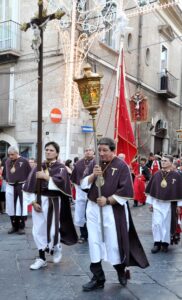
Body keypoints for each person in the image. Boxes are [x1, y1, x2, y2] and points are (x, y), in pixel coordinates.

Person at [80, 137, 149, 291]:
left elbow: (126, 191)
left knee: (113, 243)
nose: (101, 153)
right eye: (100, 150)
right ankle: (98, 278)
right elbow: (83, 183)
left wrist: (108, 200)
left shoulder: (122, 166)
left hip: (112, 210)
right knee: (94, 242)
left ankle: (120, 271)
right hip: (93, 208)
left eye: (105, 150)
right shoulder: (94, 163)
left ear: (113, 151)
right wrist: (93, 175)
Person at [23, 141, 77, 270]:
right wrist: (33, 202)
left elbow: (62, 183)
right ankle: (41, 258)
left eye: (51, 150)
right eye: (46, 149)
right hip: (39, 200)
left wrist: (46, 178)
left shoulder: (61, 167)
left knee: (53, 231)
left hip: (53, 201)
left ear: (57, 153)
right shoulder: (38, 167)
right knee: (38, 230)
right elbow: (29, 185)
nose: (48, 152)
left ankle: (56, 246)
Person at [146, 154, 182, 253]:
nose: (163, 162)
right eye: (162, 160)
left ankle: (165, 244)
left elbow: (179, 192)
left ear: (171, 162)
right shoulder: (157, 174)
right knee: (156, 223)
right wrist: (151, 203)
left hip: (169, 205)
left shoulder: (177, 176)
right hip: (157, 203)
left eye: (165, 160)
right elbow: (152, 190)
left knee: (166, 225)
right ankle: (157, 243)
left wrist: (179, 205)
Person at [3, 146, 31, 234]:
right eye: (9, 155)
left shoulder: (24, 161)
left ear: (17, 153)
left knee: (21, 206)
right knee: (11, 207)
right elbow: (5, 173)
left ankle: (21, 226)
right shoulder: (7, 161)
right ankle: (14, 226)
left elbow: (30, 174)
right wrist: (6, 180)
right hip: (10, 186)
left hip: (21, 186)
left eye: (12, 154)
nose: (10, 156)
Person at [71, 147, 94, 244]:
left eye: (90, 150)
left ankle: (93, 235)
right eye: (86, 150)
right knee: (81, 215)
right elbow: (75, 179)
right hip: (81, 193)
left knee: (92, 215)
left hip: (93, 193)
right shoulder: (79, 163)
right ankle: (83, 235)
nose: (88, 151)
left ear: (93, 152)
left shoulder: (98, 162)